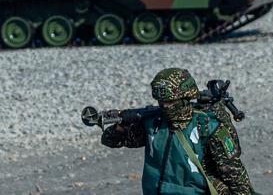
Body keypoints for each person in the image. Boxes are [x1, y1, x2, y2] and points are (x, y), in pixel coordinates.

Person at [101, 68, 255, 195]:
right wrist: (122, 123)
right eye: (161, 102)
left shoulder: (207, 126)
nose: (165, 106)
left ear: (184, 97)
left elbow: (234, 174)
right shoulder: (154, 124)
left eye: (169, 101)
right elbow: (110, 140)